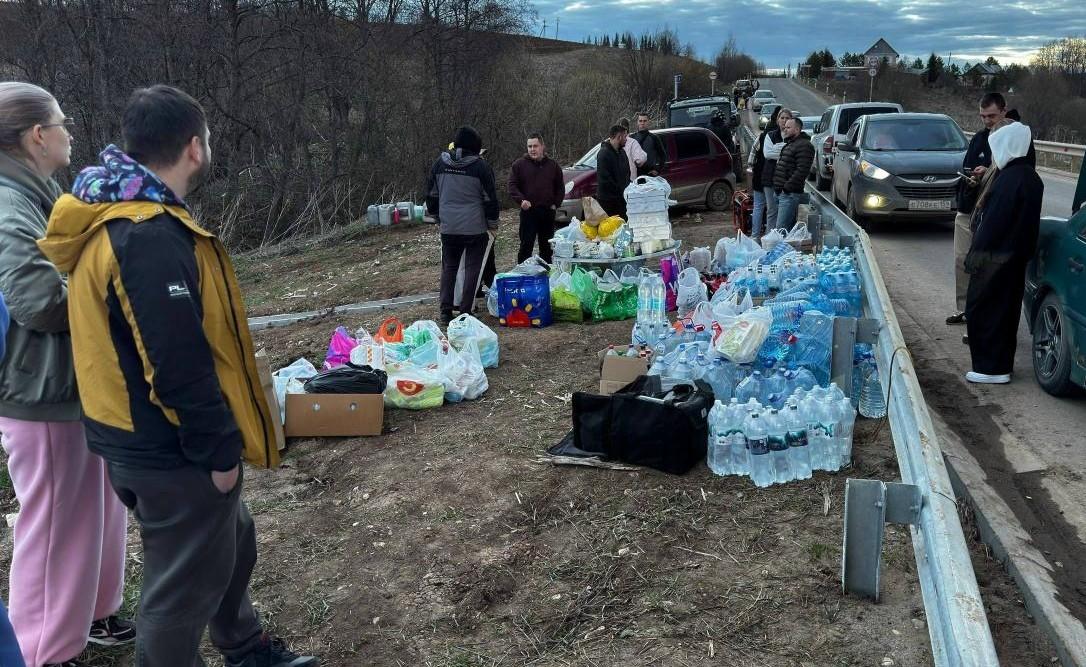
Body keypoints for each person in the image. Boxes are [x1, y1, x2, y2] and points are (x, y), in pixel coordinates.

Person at [38, 85, 315, 667]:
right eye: (206, 140)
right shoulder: (146, 235)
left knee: (232, 540)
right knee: (178, 594)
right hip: (167, 446)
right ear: (194, 147)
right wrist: (217, 451)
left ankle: (244, 646)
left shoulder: (121, 215)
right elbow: (176, 363)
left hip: (135, 433)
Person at [0, 81, 133, 667]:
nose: (69, 133)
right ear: (37, 135)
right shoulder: (8, 205)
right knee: (56, 526)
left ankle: (95, 616)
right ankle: (42, 651)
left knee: (99, 507)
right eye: (61, 122)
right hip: (39, 390)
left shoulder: (37, 193)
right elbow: (38, 301)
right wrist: (114, 287)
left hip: (72, 381)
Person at [963, 121, 1043, 384]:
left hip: (996, 259)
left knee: (985, 310)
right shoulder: (1028, 176)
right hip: (1014, 258)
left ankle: (991, 369)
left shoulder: (1009, 180)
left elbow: (993, 225)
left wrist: (974, 257)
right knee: (1005, 313)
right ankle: (1000, 365)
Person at [427, 125, 499, 323]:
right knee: (472, 269)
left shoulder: (439, 164)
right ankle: (465, 311)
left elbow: (431, 195)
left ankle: (445, 310)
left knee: (449, 268)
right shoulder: (480, 167)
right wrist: (492, 222)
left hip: (449, 228)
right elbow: (490, 199)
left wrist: (437, 217)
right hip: (475, 228)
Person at [949, 92, 1006, 326]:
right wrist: (974, 175)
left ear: (1003, 111)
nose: (987, 120)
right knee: (961, 259)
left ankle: (984, 313)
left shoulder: (1011, 140)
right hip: (969, 207)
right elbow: (967, 166)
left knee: (986, 265)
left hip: (992, 213)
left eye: (991, 116)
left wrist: (990, 170)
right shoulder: (979, 139)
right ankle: (964, 309)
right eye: (983, 116)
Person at [508, 133, 564, 264]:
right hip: (528, 213)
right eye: (530, 146)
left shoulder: (553, 166)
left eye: (535, 146)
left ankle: (546, 273)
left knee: (547, 249)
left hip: (547, 212)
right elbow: (512, 185)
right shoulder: (519, 165)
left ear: (542, 146)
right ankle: (523, 272)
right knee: (525, 247)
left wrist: (556, 203)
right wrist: (521, 200)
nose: (532, 149)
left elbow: (560, 187)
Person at [773, 117, 815, 231]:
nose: (785, 129)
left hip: (789, 194)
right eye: (784, 127)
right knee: (783, 230)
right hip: (781, 193)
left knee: (781, 230)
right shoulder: (790, 144)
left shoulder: (805, 145)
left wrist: (787, 188)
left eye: (788, 127)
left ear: (797, 130)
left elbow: (802, 171)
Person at [756, 106, 793, 233]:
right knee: (772, 210)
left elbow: (793, 154)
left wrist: (778, 148)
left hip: (787, 179)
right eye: (782, 118)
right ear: (777, 120)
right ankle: (770, 238)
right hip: (770, 178)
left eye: (787, 118)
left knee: (786, 212)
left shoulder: (794, 137)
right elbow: (767, 154)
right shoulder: (770, 135)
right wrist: (785, 150)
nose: (784, 120)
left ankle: (783, 237)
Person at [595, 124, 630, 218]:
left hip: (622, 201)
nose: (626, 139)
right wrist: (621, 191)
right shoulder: (603, 154)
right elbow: (605, 180)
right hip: (608, 202)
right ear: (619, 137)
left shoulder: (622, 153)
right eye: (625, 136)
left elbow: (627, 173)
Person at [630, 112, 667, 177]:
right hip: (635, 175)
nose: (642, 123)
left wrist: (657, 170)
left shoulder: (654, 138)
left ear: (648, 122)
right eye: (640, 121)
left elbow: (663, 156)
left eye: (644, 121)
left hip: (650, 174)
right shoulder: (632, 138)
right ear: (637, 122)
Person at [617, 117, 646, 185]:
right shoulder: (632, 142)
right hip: (630, 179)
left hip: (617, 179)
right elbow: (640, 160)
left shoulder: (612, 142)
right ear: (627, 129)